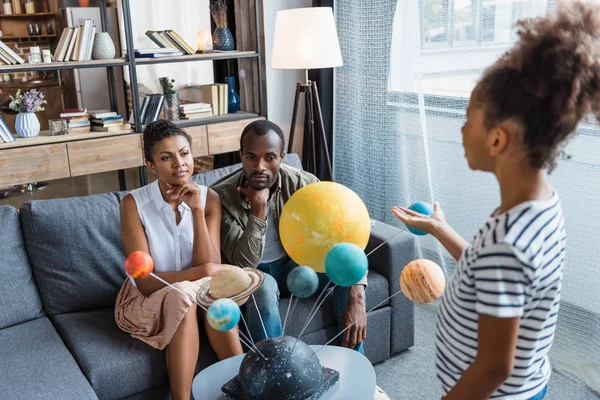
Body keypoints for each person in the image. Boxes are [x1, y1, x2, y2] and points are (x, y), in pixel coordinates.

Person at [392, 2, 600, 399]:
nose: (462, 127)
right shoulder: (540, 207)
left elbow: (493, 367)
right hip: (528, 383)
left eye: (469, 118)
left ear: (498, 138)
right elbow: (494, 270)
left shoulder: (508, 240)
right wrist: (440, 229)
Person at [211, 120, 368, 353]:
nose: (260, 166)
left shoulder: (305, 185)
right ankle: (274, 378)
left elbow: (344, 240)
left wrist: (358, 295)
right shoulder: (220, 197)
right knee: (263, 288)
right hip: (255, 276)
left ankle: (356, 367)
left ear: (282, 157)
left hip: (297, 267)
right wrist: (258, 211)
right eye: (251, 157)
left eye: (270, 157)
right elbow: (245, 265)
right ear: (241, 155)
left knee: (344, 265)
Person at [115, 120, 242, 400]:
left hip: (197, 291)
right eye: (166, 157)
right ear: (150, 165)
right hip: (146, 299)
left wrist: (196, 210)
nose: (179, 164)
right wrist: (205, 271)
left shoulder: (209, 199)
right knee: (183, 296)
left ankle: (245, 389)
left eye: (184, 153)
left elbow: (210, 269)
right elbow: (146, 283)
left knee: (214, 298)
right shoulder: (133, 205)